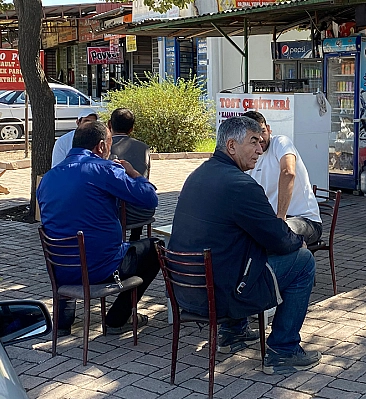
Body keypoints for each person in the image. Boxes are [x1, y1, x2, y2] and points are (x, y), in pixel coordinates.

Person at [168, 116, 321, 375]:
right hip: (221, 296)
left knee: (238, 251)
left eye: (261, 143)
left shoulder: (197, 175)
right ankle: (282, 350)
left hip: (186, 293)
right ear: (231, 146)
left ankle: (231, 334)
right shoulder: (241, 185)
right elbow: (280, 239)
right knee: (303, 261)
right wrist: (299, 241)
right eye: (254, 142)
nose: (260, 150)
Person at [38, 121, 161, 337]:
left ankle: (63, 322)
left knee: (72, 238)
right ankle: (116, 319)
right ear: (102, 146)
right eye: (111, 143)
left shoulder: (48, 178)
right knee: (155, 248)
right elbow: (149, 200)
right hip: (101, 268)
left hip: (60, 268)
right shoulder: (104, 169)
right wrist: (133, 173)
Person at [243, 111, 322, 246]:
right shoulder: (248, 159)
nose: (261, 138)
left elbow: (288, 172)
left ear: (269, 129)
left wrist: (280, 218)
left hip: (305, 221)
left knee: (274, 236)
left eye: (262, 131)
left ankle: (298, 256)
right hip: (271, 222)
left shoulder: (281, 143)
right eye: (254, 137)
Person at [108, 108, 156, 241]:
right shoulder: (143, 148)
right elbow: (145, 178)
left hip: (113, 212)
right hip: (142, 211)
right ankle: (136, 237)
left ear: (109, 124)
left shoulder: (104, 148)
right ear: (131, 129)